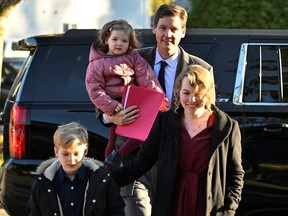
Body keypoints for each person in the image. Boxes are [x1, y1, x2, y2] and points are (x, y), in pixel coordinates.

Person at [100, 4, 214, 216]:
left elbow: (207, 116)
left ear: (183, 31)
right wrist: (111, 116)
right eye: (162, 28)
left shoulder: (201, 69)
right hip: (134, 160)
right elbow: (104, 96)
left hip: (175, 163)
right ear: (153, 28)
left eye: (173, 29)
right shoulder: (131, 60)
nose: (167, 35)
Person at [111, 65, 245, 216]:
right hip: (171, 203)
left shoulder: (227, 127)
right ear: (178, 92)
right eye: (186, 93)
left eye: (198, 94)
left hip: (208, 205)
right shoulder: (165, 122)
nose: (191, 100)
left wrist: (229, 208)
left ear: (207, 94)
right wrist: (105, 181)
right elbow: (141, 163)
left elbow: (236, 173)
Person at [85, 19, 165, 170]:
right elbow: (94, 89)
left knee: (141, 133)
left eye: (124, 40)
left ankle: (118, 156)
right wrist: (112, 106)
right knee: (114, 137)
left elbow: (146, 77)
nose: (119, 44)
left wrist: (158, 97)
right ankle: (108, 166)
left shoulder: (133, 57)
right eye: (115, 39)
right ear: (106, 39)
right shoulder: (97, 63)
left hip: (132, 100)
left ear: (130, 43)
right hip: (114, 103)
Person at [28, 122, 125, 216]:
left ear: (85, 151)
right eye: (65, 154)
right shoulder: (42, 184)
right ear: (56, 152)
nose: (71, 159)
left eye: (76, 154)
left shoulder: (102, 180)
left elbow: (116, 211)